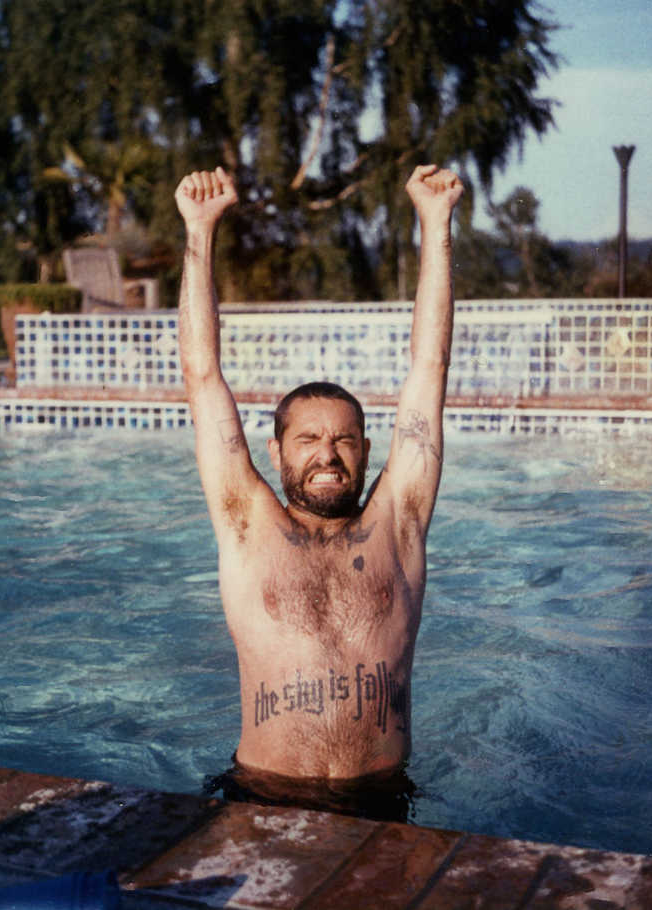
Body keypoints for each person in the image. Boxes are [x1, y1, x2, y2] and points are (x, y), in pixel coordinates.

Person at [178, 164, 463, 821]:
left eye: (344, 440)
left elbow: (430, 367)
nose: (327, 455)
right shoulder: (248, 524)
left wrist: (436, 224)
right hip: (261, 795)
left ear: (365, 450)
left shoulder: (399, 522)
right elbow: (201, 376)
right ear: (276, 452)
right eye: (308, 440)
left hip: (385, 799)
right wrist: (198, 232)